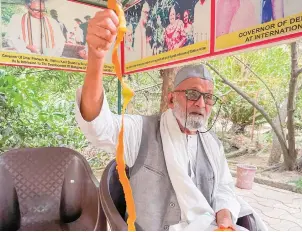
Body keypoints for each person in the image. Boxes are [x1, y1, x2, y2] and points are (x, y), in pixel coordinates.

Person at [75, 9, 267, 231]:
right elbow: (97, 126)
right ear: (171, 99)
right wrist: (96, 58)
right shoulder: (142, 131)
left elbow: (224, 188)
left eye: (208, 97)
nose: (201, 104)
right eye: (193, 94)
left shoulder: (211, 142)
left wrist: (225, 221)